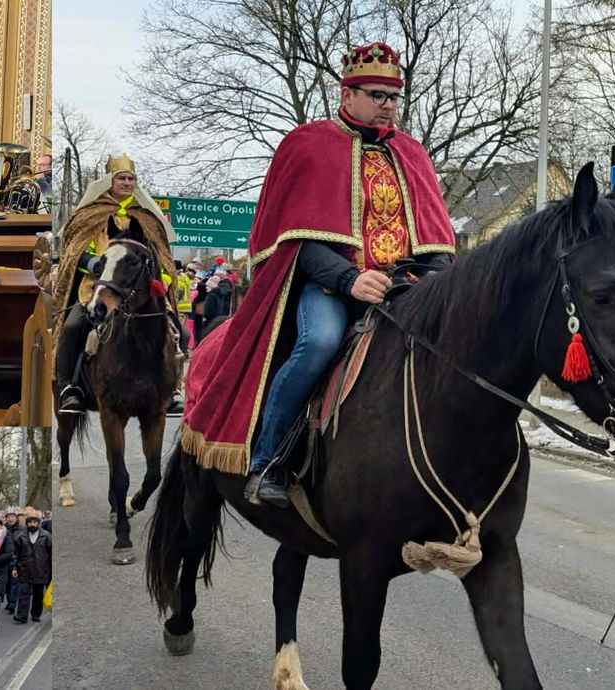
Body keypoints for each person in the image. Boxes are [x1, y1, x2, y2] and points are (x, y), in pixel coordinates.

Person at [182, 43, 457, 507]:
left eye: (393, 96)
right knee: (320, 344)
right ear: (347, 95)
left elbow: (435, 241)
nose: (387, 104)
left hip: (403, 287)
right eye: (376, 94)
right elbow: (297, 242)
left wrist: (441, 285)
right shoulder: (308, 144)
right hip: (329, 285)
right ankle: (267, 462)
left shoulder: (412, 154)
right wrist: (350, 280)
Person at [53, 154, 183, 416]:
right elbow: (73, 252)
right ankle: (70, 388)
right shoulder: (90, 214)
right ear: (109, 181)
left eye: (131, 179)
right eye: (121, 178)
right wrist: (91, 263)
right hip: (97, 286)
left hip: (141, 289)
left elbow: (164, 258)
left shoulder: (147, 219)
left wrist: (162, 281)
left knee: (181, 332)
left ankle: (173, 389)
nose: (127, 183)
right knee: (73, 325)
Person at [12, 509, 52, 625]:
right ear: (27, 523)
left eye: (35, 522)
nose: (32, 524)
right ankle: (22, 615)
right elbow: (15, 554)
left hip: (41, 570)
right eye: (30, 522)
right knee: (24, 593)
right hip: (24, 569)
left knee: (38, 594)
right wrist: (14, 567)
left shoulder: (46, 536)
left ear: (38, 523)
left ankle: (36, 614)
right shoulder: (21, 537)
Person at [3, 508, 23, 614]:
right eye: (8, 517)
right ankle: (9, 601)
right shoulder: (3, 529)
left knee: (15, 582)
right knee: (7, 583)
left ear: (16, 518)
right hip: (6, 560)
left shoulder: (22, 530)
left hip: (17, 560)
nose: (10, 519)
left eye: (12, 517)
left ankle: (12, 603)